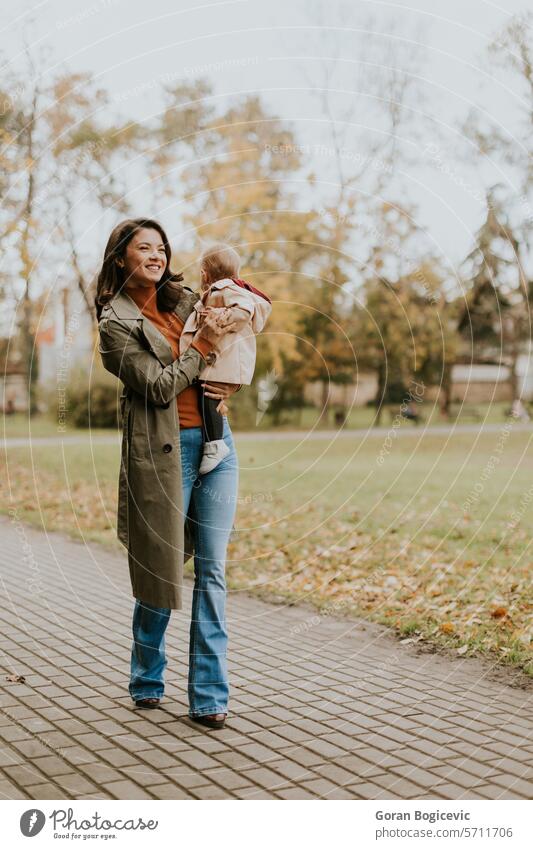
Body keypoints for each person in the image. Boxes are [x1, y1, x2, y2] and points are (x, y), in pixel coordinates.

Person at [95, 218, 239, 729]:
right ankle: (146, 677)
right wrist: (201, 351)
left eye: (161, 248)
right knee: (162, 568)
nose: (156, 256)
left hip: (218, 444)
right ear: (121, 258)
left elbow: (234, 340)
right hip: (164, 452)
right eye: (144, 248)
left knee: (213, 572)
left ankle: (208, 696)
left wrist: (233, 379)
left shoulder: (187, 299)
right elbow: (157, 386)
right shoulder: (113, 325)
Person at [180, 243, 272, 473]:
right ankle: (214, 443)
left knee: (209, 395)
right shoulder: (219, 292)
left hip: (225, 360)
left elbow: (244, 311)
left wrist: (221, 316)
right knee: (208, 395)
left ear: (204, 274)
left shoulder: (224, 289)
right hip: (221, 359)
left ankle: (215, 445)